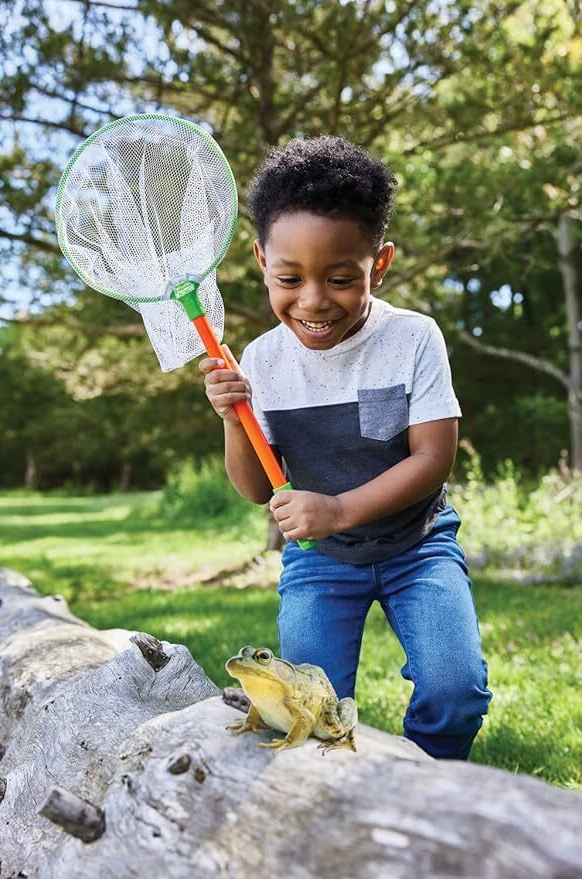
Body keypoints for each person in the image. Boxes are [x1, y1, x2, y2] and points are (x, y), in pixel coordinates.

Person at [199, 136, 492, 760]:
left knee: (456, 688)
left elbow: (433, 458)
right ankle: (330, 802)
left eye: (339, 278)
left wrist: (337, 509)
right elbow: (256, 488)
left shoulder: (413, 338)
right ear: (260, 260)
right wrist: (233, 415)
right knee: (305, 709)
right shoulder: (261, 361)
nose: (312, 301)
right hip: (321, 559)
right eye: (288, 278)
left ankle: (431, 784)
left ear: (378, 265)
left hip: (420, 545)